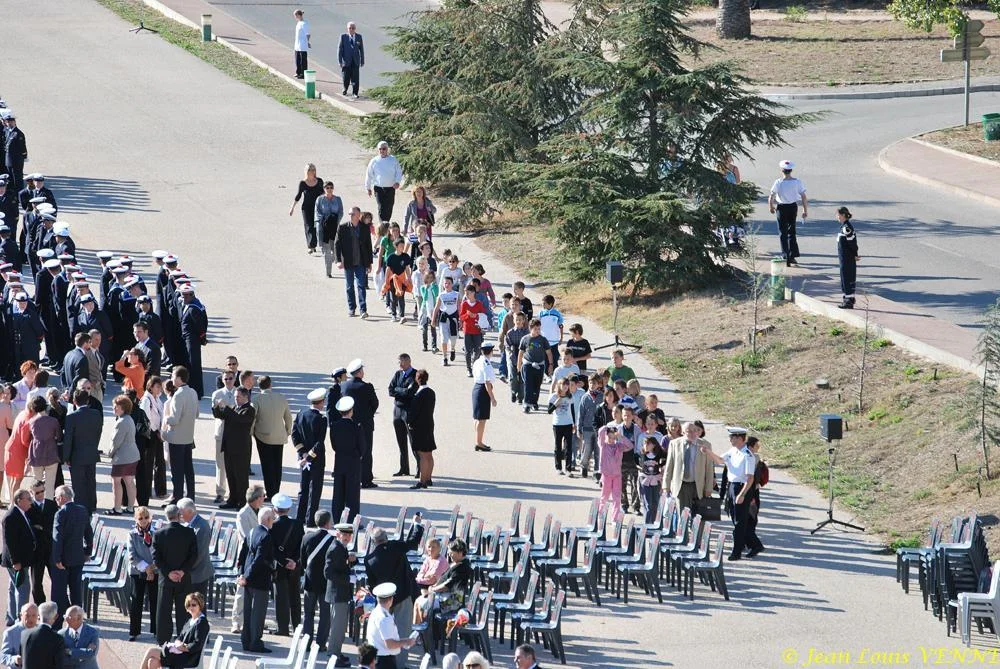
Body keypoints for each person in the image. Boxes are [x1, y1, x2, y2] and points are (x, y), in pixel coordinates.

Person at [365, 518, 424, 668]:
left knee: (385, 634)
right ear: (386, 539)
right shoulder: (395, 547)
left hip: (384, 600)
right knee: (403, 631)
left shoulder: (369, 559)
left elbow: (371, 584)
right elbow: (412, 542)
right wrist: (416, 524)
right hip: (403, 595)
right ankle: (400, 664)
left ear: (373, 542)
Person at [700, 426, 759, 560]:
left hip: (742, 487)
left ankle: (737, 551)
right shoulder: (733, 450)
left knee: (739, 522)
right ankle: (755, 544)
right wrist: (708, 452)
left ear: (740, 438)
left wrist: (742, 494)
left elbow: (750, 478)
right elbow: (720, 460)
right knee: (735, 518)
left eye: (732, 437)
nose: (730, 439)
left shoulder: (748, 455)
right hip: (732, 486)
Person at [152, 504, 197, 644]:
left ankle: (163, 640)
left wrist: (168, 573)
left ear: (167, 517)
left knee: (164, 611)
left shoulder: (159, 534)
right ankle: (183, 638)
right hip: (183, 579)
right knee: (184, 610)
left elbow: (156, 558)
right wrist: (183, 571)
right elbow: (194, 556)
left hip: (166, 579)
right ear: (179, 515)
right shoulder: (189, 533)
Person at [140, 592, 210, 669]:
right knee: (152, 661)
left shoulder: (202, 622)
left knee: (151, 651)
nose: (191, 608)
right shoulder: (190, 620)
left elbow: (198, 644)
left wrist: (183, 647)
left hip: (188, 657)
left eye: (194, 605)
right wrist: (178, 642)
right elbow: (180, 636)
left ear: (200, 605)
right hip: (179, 652)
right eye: (189, 605)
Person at [213, 387, 256, 510]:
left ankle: (243, 502)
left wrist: (226, 408)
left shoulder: (249, 409)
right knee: (231, 475)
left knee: (241, 477)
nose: (236, 399)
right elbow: (220, 415)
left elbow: (239, 419)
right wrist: (217, 406)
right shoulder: (234, 408)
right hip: (229, 447)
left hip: (241, 450)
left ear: (245, 397)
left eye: (238, 397)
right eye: (235, 397)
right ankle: (233, 499)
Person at [241, 506, 276, 653]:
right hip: (259, 580)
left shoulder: (251, 532)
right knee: (258, 613)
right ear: (268, 520)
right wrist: (246, 576)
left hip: (248, 579)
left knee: (248, 612)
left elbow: (243, 555)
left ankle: (246, 639)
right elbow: (259, 560)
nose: (273, 521)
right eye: (272, 519)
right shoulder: (266, 536)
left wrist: (242, 574)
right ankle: (255, 642)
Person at [231, 485, 265, 634]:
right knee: (241, 590)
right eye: (262, 496)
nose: (264, 498)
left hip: (257, 557)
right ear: (257, 498)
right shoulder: (243, 514)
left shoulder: (261, 512)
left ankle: (250, 621)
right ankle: (236, 622)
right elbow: (246, 537)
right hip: (246, 557)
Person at [252, 376, 293, 501]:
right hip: (279, 436)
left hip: (263, 436)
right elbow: (288, 417)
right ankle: (276, 490)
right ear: (270, 385)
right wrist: (287, 431)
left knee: (267, 465)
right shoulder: (281, 397)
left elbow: (252, 418)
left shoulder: (256, 399)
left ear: (259, 386)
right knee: (277, 464)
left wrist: (251, 432)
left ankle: (271, 491)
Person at [62, 389, 102, 515]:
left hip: (76, 455)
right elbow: (98, 433)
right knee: (91, 480)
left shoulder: (71, 417)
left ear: (74, 401)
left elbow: (68, 439)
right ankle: (92, 506)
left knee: (78, 484)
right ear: (88, 400)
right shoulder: (96, 414)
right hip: (91, 452)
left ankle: (81, 508)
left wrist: (66, 457)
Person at [293, 388, 329, 525]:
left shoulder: (301, 414)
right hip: (316, 459)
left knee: (303, 488)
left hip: (302, 459)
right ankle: (310, 520)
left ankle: (299, 517)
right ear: (322, 402)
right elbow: (319, 442)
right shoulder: (321, 419)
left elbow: (295, 435)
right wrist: (309, 457)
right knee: (314, 490)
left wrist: (302, 454)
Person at [300, 510, 334, 655]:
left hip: (310, 580)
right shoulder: (332, 540)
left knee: (308, 614)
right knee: (325, 615)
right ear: (328, 523)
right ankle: (321, 643)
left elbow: (302, 559)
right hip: (325, 583)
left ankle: (306, 642)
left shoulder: (307, 537)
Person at [270, 494, 304, 637]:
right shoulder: (297, 524)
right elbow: (301, 546)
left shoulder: (273, 526)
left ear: (275, 510)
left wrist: (284, 562)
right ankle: (297, 626)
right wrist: (294, 562)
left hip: (280, 567)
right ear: (289, 509)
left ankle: (283, 627)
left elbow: (272, 549)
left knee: (281, 598)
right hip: (294, 566)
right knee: (295, 596)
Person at [162, 367, 198, 504]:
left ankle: (177, 497)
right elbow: (197, 414)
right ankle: (190, 496)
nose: (171, 379)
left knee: (177, 471)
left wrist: (166, 419)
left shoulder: (178, 395)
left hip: (176, 438)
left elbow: (174, 419)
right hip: (188, 436)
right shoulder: (193, 392)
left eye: (172, 376)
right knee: (189, 469)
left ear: (178, 378)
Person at [342, 359, 379, 488]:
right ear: (359, 372)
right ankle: (366, 479)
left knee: (352, 451)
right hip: (365, 424)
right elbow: (375, 404)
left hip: (349, 424)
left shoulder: (344, 386)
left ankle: (352, 477)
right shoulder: (367, 387)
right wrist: (368, 414)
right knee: (366, 451)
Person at [663, 421, 715, 515]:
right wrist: (666, 485)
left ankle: (695, 529)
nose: (692, 433)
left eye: (695, 430)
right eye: (689, 431)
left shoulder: (705, 445)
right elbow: (669, 466)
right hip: (681, 485)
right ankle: (683, 530)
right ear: (683, 432)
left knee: (698, 516)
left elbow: (709, 469)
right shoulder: (674, 444)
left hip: (698, 486)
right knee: (682, 516)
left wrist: (708, 488)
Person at [324, 521, 357, 667]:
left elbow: (341, 566)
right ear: (337, 534)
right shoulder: (335, 548)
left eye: (349, 535)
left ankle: (336, 652)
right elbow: (328, 572)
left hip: (341, 593)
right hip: (338, 593)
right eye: (344, 534)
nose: (347, 537)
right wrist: (348, 579)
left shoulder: (341, 547)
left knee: (340, 625)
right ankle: (333, 655)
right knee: (338, 627)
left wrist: (351, 562)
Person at [334, 207, 374, 318]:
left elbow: (368, 246)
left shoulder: (364, 228)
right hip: (348, 262)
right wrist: (338, 260)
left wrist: (369, 263)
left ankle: (363, 310)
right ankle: (352, 308)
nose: (351, 216)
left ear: (358, 214)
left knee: (361, 286)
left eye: (353, 214)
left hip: (361, 262)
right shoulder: (342, 228)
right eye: (350, 214)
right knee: (349, 286)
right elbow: (337, 245)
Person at [2, 490, 35, 625]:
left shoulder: (21, 514)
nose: (31, 502)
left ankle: (12, 617)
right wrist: (16, 561)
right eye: (28, 499)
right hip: (17, 561)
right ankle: (21, 619)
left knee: (13, 587)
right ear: (19, 500)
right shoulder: (11, 516)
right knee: (22, 589)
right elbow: (10, 542)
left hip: (20, 560)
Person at [366, 583, 417, 669]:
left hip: (378, 658)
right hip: (384, 661)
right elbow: (390, 644)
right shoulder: (384, 618)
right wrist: (406, 642)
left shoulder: (376, 612)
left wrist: (405, 640)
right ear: (391, 599)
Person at [768, 159, 808, 267]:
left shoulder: (778, 182)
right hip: (793, 207)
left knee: (783, 232)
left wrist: (771, 207)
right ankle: (792, 255)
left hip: (781, 208)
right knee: (792, 231)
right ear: (791, 170)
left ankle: (785, 255)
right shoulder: (797, 182)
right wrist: (805, 210)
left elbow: (771, 196)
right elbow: (804, 197)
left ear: (782, 170)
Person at [329, 396, 363, 521]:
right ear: (351, 411)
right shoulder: (357, 426)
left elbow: (334, 445)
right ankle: (352, 520)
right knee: (352, 494)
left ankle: (337, 518)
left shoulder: (334, 426)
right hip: (353, 462)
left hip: (339, 462)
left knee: (338, 492)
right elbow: (362, 447)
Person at [128, 506, 159, 641]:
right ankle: (134, 631)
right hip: (138, 571)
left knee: (155, 601)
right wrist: (146, 568)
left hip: (154, 570)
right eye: (140, 518)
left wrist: (152, 568)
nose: (144, 521)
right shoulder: (132, 534)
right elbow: (131, 556)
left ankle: (156, 630)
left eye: (146, 518)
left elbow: (160, 552)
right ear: (136, 519)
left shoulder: (156, 533)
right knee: (136, 601)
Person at [25, 480, 56, 606]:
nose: (41, 494)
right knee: (36, 582)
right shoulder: (29, 507)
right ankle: (40, 606)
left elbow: (54, 526)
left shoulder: (52, 505)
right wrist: (38, 528)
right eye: (37, 492)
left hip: (50, 548)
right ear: (32, 493)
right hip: (36, 550)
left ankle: (59, 604)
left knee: (56, 579)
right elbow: (29, 527)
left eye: (43, 491)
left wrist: (41, 528)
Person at [108, 395, 140, 515]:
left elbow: (116, 442)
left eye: (116, 406)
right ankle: (131, 507)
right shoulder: (129, 419)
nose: (114, 408)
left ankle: (117, 508)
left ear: (123, 408)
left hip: (122, 457)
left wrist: (110, 454)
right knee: (129, 481)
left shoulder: (121, 422)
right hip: (133, 455)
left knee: (116, 482)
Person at [388, 354, 417, 477]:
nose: (400, 365)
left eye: (402, 362)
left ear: (409, 361)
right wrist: (402, 390)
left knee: (413, 441)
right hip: (397, 410)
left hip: (409, 410)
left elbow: (411, 392)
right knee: (401, 441)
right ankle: (404, 468)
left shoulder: (415, 374)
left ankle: (420, 468)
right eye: (399, 362)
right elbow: (390, 389)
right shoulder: (398, 374)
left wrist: (398, 390)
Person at [177, 499, 213, 597]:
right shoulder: (188, 523)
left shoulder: (202, 527)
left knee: (198, 605)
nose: (179, 515)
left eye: (181, 512)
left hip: (198, 573)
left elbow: (199, 553)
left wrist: (184, 569)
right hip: (190, 572)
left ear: (190, 512)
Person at [406, 370, 435, 490]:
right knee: (429, 454)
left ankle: (422, 481)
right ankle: (428, 478)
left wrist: (409, 422)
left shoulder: (418, 395)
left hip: (419, 427)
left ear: (418, 379)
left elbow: (413, 413)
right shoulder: (431, 392)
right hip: (429, 424)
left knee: (422, 455)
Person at [141, 377, 168, 500]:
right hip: (150, 435)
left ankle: (161, 490)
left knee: (160, 462)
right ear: (151, 387)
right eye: (157, 387)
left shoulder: (157, 399)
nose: (159, 389)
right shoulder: (146, 400)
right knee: (148, 463)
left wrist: (160, 431)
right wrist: (155, 431)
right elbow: (145, 418)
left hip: (157, 434)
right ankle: (146, 491)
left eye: (160, 387)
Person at [27, 396, 60, 498]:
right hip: (51, 453)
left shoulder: (31, 421)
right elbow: (59, 437)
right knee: (50, 485)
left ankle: (36, 505)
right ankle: (48, 507)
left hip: (36, 454)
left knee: (36, 483)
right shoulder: (53, 421)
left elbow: (29, 437)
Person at [597, 423, 632, 519]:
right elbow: (600, 432)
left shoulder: (619, 446)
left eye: (613, 438)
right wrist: (606, 427)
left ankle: (614, 518)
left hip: (617, 475)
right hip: (606, 475)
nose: (612, 440)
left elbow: (630, 446)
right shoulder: (603, 445)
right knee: (604, 497)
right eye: (610, 437)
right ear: (606, 436)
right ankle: (600, 515)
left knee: (617, 498)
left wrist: (620, 436)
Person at [518, 318, 553, 413]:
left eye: (539, 329)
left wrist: (550, 365)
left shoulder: (543, 340)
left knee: (537, 385)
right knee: (528, 385)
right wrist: (518, 365)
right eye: (535, 329)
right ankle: (527, 404)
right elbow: (521, 352)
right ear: (530, 328)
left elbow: (549, 353)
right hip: (527, 365)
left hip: (540, 365)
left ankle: (534, 402)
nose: (538, 331)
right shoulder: (525, 339)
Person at [365, 142, 402, 223]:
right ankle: (382, 225)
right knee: (381, 207)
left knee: (389, 207)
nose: (382, 150)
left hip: (391, 188)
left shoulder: (393, 160)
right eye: (380, 149)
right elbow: (369, 174)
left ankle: (386, 223)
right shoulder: (374, 161)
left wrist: (397, 182)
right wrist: (368, 188)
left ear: (387, 149)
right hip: (379, 188)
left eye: (384, 149)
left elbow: (398, 172)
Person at [470, 343, 497, 453]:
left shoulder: (477, 361)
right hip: (483, 391)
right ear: (490, 351)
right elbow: (487, 383)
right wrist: (493, 398)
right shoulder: (486, 364)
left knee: (477, 418)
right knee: (482, 419)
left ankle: (477, 440)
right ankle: (479, 442)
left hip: (476, 388)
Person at [21, 602, 64, 669]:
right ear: (56, 616)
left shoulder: (25, 634)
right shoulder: (57, 638)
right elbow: (59, 665)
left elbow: (22, 659)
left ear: (38, 615)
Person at [547, 378, 576, 476]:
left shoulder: (570, 397)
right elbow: (549, 411)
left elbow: (572, 411)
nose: (565, 386)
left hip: (568, 424)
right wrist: (556, 403)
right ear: (559, 385)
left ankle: (568, 469)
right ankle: (558, 467)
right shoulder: (553, 396)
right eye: (563, 384)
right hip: (557, 424)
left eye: (567, 385)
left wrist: (574, 423)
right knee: (558, 446)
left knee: (568, 448)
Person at [316, 182, 345, 278]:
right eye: (327, 187)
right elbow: (317, 212)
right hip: (324, 228)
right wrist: (323, 221)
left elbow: (341, 211)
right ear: (324, 188)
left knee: (336, 248)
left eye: (331, 187)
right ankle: (328, 272)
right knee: (327, 250)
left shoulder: (338, 199)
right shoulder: (320, 199)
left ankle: (335, 259)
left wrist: (336, 221)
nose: (329, 189)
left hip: (335, 227)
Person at [432, 275, 460, 366]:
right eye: (445, 283)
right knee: (444, 339)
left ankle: (452, 349)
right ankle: (444, 357)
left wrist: (461, 320)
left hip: (453, 319)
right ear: (443, 285)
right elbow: (436, 308)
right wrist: (433, 320)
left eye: (449, 283)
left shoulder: (456, 294)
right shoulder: (441, 295)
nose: (447, 285)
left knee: (453, 339)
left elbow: (459, 308)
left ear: (452, 284)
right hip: (443, 319)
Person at [745, 436, 766, 557]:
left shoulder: (754, 457)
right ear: (750, 446)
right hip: (751, 492)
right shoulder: (751, 457)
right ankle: (747, 543)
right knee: (749, 519)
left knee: (749, 520)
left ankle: (755, 545)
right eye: (757, 445)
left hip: (751, 492)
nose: (758, 447)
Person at [458, 285, 486, 378]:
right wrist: (467, 315)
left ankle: (474, 365)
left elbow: (483, 316)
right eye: (465, 292)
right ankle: (469, 369)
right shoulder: (464, 304)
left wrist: (476, 316)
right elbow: (461, 317)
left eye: (468, 292)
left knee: (478, 350)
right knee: (467, 350)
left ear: (473, 293)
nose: (466, 294)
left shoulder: (479, 304)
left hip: (477, 330)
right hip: (467, 330)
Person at [0, 603, 38, 668]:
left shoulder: (42, 632)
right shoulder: (10, 633)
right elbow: (2, 657)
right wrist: (14, 660)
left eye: (33, 615)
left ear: (38, 616)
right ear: (21, 615)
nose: (30, 619)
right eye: (27, 616)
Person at [836, 206, 859, 309]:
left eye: (838, 215)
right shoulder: (844, 227)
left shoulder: (846, 228)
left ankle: (849, 301)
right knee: (844, 277)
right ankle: (847, 298)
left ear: (844, 215)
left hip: (847, 258)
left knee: (847, 277)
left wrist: (855, 255)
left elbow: (853, 244)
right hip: (844, 258)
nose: (837, 217)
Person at [338, 22, 365, 98]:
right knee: (346, 77)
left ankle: (355, 92)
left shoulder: (359, 37)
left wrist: (362, 61)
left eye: (353, 28)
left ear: (355, 29)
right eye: (350, 28)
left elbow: (361, 50)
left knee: (355, 78)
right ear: (347, 29)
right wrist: (340, 61)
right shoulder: (343, 37)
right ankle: (345, 89)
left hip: (355, 61)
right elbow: (340, 50)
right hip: (346, 61)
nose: (351, 29)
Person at [292, 10, 311, 80]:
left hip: (302, 45)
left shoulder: (304, 24)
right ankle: (298, 72)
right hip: (297, 45)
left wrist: (307, 42)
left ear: (299, 15)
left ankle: (303, 74)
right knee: (297, 59)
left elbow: (308, 34)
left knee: (303, 61)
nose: (295, 17)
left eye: (295, 15)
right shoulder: (299, 23)